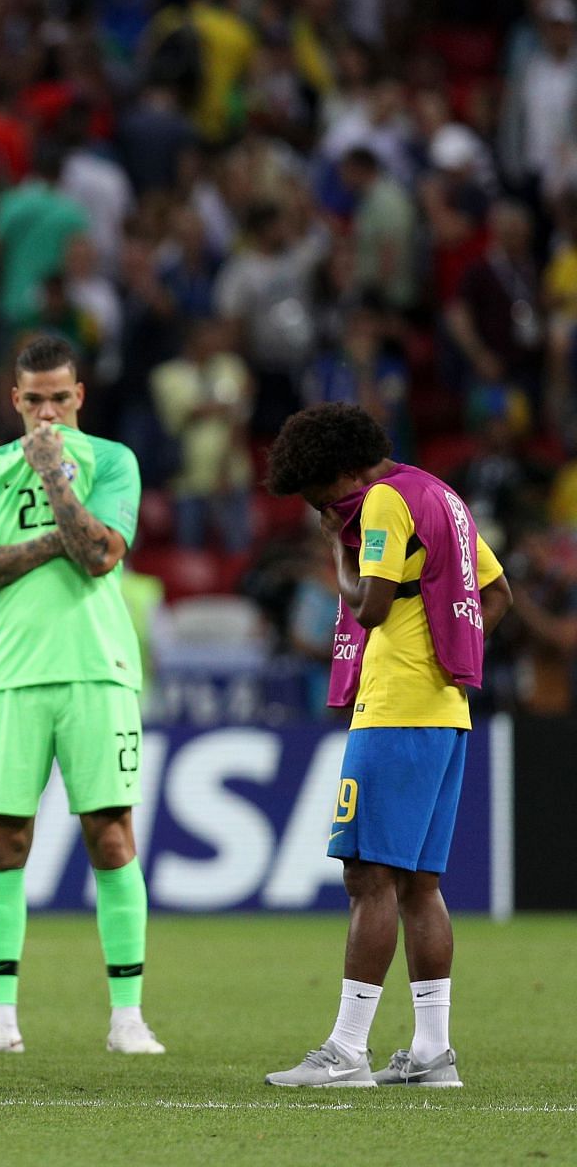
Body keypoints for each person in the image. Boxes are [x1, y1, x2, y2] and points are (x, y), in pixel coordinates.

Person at [261, 404, 510, 1089]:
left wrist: (337, 553)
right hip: (445, 710)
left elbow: (367, 606)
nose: (325, 511)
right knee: (420, 887)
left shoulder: (380, 503)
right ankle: (433, 1055)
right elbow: (496, 594)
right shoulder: (439, 494)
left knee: (367, 878)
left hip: (396, 710)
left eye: (320, 499)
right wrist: (445, 651)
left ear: (340, 473)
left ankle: (347, 1053)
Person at [0, 334, 163, 1057]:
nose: (46, 413)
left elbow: (102, 555)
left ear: (79, 397)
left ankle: (127, 1017)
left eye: (59, 398)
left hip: (97, 670)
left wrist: (58, 482)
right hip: (8, 675)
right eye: (33, 399)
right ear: (14, 399)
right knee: (3, 843)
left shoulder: (114, 461)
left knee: (110, 835)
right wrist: (46, 542)